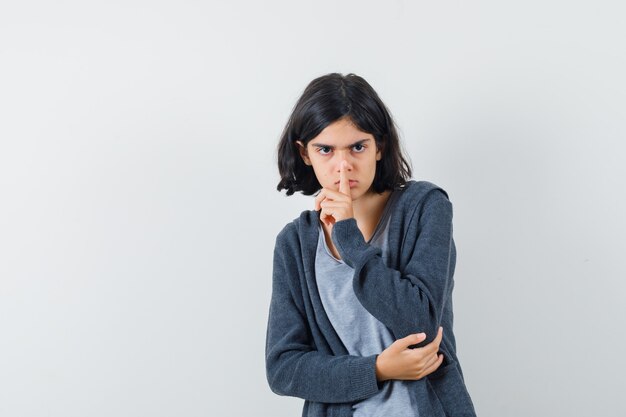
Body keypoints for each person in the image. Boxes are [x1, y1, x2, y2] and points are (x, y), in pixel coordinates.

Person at [265, 73, 477, 417]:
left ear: (379, 145)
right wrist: (377, 369)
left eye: (357, 147)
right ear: (305, 154)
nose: (343, 165)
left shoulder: (425, 207)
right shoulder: (294, 244)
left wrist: (350, 238)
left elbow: (420, 324)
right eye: (326, 150)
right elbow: (283, 368)